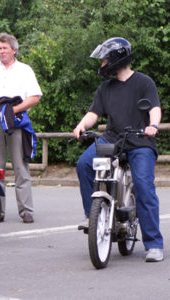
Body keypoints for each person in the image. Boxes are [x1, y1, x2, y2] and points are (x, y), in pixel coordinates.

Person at [73, 37, 164, 262]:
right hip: (113, 138)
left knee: (143, 184)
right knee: (84, 163)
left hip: (140, 140)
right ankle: (91, 215)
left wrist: (152, 126)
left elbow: (154, 108)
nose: (102, 64)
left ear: (116, 58)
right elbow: (93, 113)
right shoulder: (105, 88)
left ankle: (154, 244)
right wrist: (82, 125)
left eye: (104, 59)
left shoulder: (144, 82)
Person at [0, 32, 42, 223]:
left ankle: (26, 210)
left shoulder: (25, 70)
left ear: (14, 50)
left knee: (20, 165)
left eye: (5, 48)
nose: (2, 51)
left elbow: (34, 97)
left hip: (17, 118)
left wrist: (13, 110)